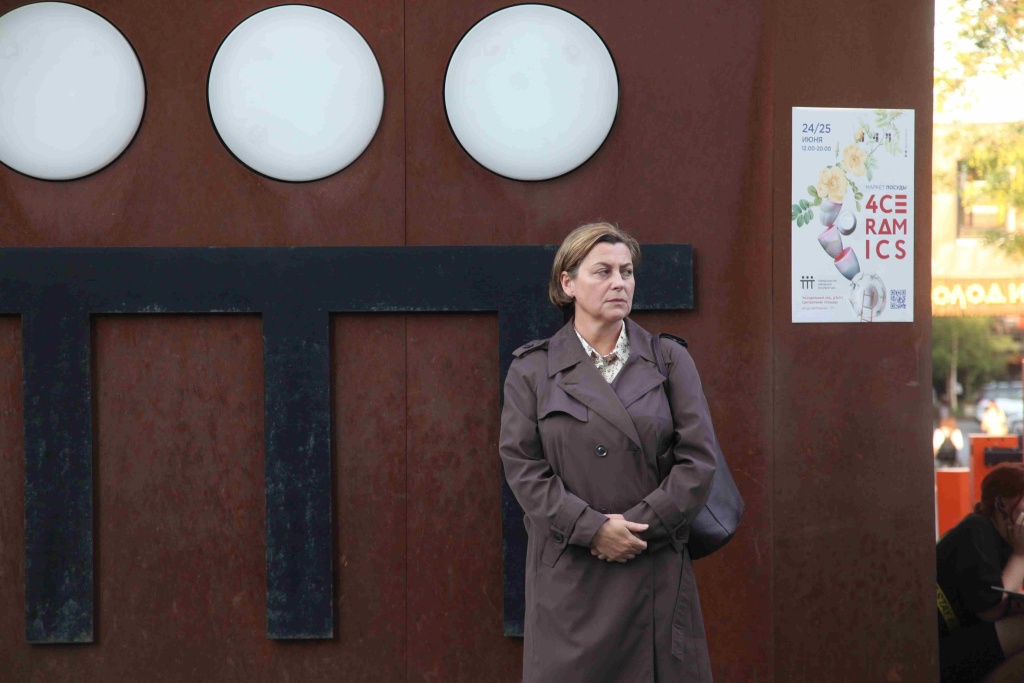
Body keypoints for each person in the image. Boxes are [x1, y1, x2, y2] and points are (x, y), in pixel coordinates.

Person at [499, 223, 718, 682]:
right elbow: (523, 468)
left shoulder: (669, 360)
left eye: (626, 272)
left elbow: (697, 461)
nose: (619, 283)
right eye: (603, 272)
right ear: (568, 283)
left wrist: (637, 529)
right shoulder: (533, 370)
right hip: (572, 574)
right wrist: (593, 529)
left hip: (653, 566)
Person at [937, 463, 1024, 682]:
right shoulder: (977, 529)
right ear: (1001, 503)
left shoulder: (1007, 543)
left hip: (963, 647)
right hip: (935, 649)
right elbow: (990, 608)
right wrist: (1021, 556)